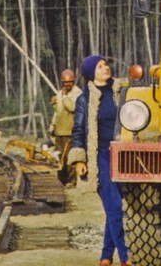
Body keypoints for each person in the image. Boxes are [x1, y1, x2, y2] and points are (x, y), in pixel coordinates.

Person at [67, 55, 129, 266]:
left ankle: (105, 256)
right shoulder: (83, 99)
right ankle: (126, 257)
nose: (105, 68)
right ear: (91, 73)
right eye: (100, 66)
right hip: (100, 156)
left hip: (123, 155)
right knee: (115, 207)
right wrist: (79, 160)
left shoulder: (122, 91)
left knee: (115, 208)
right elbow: (78, 130)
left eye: (106, 64)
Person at [50, 69, 81, 184]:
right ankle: (61, 180)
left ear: (73, 81)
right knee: (58, 156)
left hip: (70, 131)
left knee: (70, 157)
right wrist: (52, 125)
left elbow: (72, 107)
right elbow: (57, 112)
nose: (67, 84)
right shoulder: (60, 93)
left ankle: (72, 180)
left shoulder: (77, 93)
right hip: (59, 131)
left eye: (69, 82)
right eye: (65, 82)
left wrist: (64, 97)